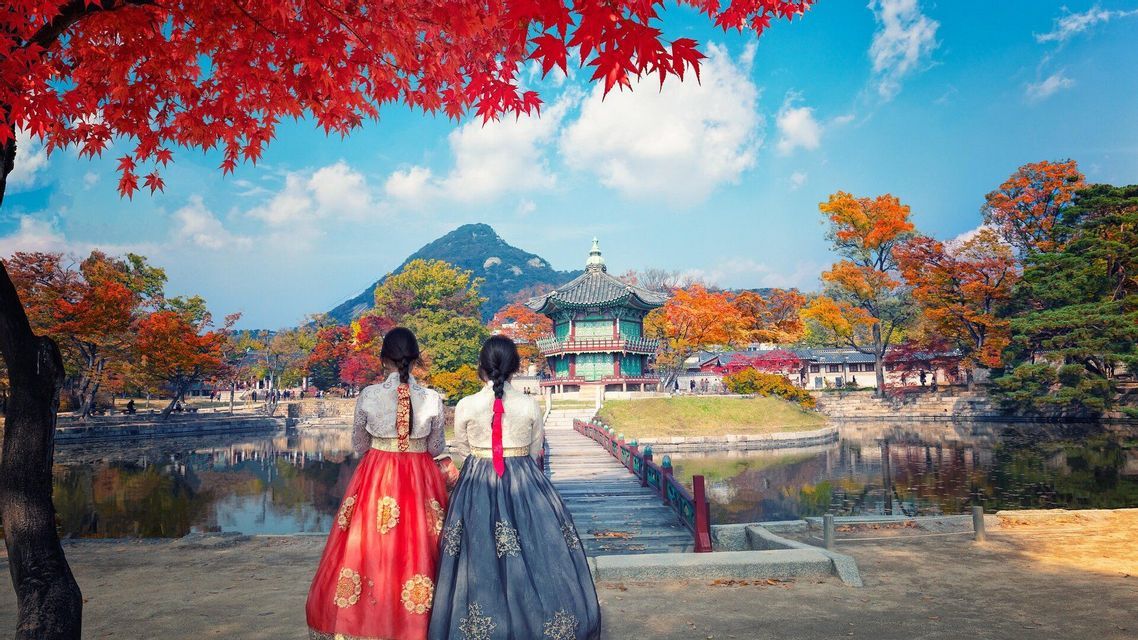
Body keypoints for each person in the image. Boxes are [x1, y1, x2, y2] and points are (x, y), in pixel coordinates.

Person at [428, 335, 600, 640]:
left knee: (475, 556)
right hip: (526, 483)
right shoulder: (529, 404)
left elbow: (464, 450)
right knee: (540, 553)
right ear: (516, 367)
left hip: (476, 482)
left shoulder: (467, 405)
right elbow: (535, 451)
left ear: (480, 366)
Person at [306, 327, 449, 640]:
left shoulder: (368, 395)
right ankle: (419, 621)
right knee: (420, 544)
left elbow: (360, 443)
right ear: (416, 359)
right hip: (419, 477)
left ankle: (366, 617)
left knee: (369, 543)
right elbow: (436, 448)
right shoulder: (432, 398)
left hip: (377, 475)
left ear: (384, 358)